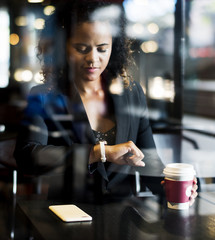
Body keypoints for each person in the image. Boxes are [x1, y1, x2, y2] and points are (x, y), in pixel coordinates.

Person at [14, 0, 198, 204]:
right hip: (67, 210)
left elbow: (148, 159)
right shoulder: (44, 95)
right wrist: (99, 153)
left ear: (114, 47)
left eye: (102, 49)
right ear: (63, 48)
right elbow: (27, 156)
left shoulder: (131, 92)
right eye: (81, 48)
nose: (93, 59)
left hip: (122, 212)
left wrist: (171, 187)